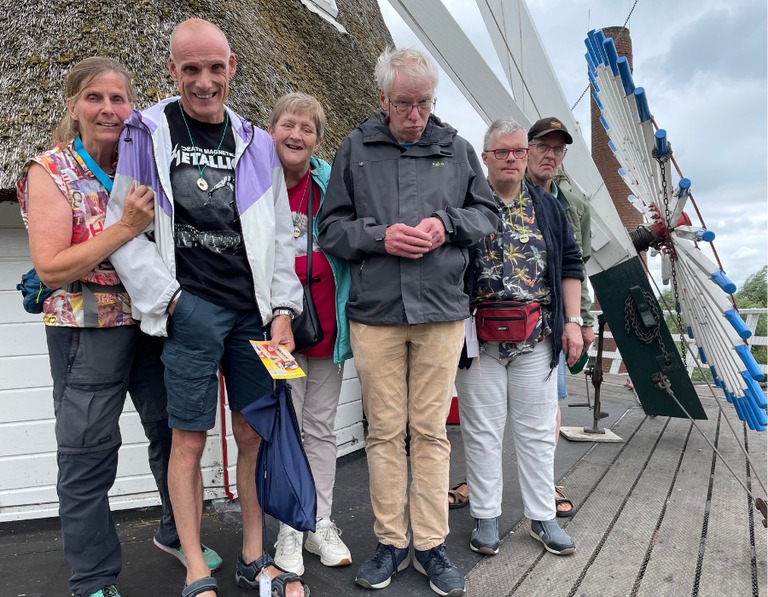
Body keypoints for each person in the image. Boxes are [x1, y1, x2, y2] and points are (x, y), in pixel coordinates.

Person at [105, 19, 306, 597]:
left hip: (251, 315)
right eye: (190, 68)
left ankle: (251, 555)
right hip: (189, 311)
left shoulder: (257, 142)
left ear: (232, 67)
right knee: (188, 439)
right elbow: (126, 227)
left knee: (252, 435)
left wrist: (283, 310)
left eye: (214, 67)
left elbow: (281, 237)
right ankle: (196, 566)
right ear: (173, 70)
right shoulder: (147, 132)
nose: (203, 80)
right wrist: (171, 302)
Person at [18, 56, 220, 597]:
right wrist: (127, 226)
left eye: (118, 99)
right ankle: (93, 576)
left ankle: (179, 532)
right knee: (88, 451)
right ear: (73, 106)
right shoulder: (52, 170)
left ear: (132, 107)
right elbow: (52, 266)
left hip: (153, 324)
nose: (108, 109)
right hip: (86, 331)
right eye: (94, 98)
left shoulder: (145, 161)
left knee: (170, 433)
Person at [318, 47, 497, 597]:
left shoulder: (459, 150)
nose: (415, 114)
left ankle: (431, 546)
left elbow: (487, 213)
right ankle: (391, 542)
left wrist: (445, 225)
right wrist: (380, 237)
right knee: (385, 434)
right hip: (377, 314)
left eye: (424, 103)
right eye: (404, 103)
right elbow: (331, 228)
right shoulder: (355, 148)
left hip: (441, 312)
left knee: (430, 432)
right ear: (382, 99)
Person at [454, 117, 583, 558]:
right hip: (480, 340)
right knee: (482, 430)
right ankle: (486, 515)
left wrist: (572, 321)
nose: (511, 158)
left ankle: (542, 515)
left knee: (537, 432)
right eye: (501, 152)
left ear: (525, 157)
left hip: (536, 339)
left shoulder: (549, 208)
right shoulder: (468, 203)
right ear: (486, 157)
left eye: (517, 152)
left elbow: (569, 264)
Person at [267, 92, 353, 574]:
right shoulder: (257, 182)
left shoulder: (329, 183)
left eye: (306, 128)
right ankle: (288, 529)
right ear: (272, 129)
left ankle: (319, 521)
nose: (296, 135)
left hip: (324, 329)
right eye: (288, 125)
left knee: (320, 429)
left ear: (318, 139)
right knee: (287, 431)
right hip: (276, 333)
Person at [525, 116, 595, 518]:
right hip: (506, 316)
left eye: (558, 149)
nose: (550, 155)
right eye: (543, 146)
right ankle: (479, 480)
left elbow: (577, 267)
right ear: (527, 148)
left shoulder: (575, 208)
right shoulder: (500, 191)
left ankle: (544, 480)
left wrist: (581, 320)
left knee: (549, 406)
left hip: (551, 321)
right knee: (490, 409)